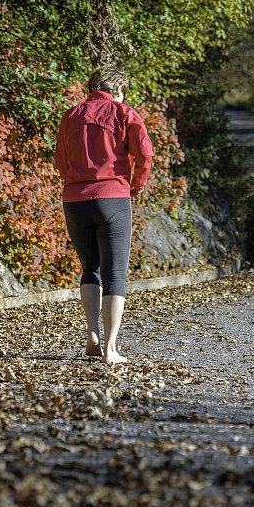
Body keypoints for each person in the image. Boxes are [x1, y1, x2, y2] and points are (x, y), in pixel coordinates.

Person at [54, 63, 154, 364]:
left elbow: (61, 159)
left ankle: (92, 336)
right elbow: (145, 154)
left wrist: (75, 181)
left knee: (90, 269)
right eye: (124, 93)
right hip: (113, 197)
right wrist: (135, 185)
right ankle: (111, 349)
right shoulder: (125, 113)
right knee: (115, 275)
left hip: (75, 200)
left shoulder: (70, 115)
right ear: (119, 89)